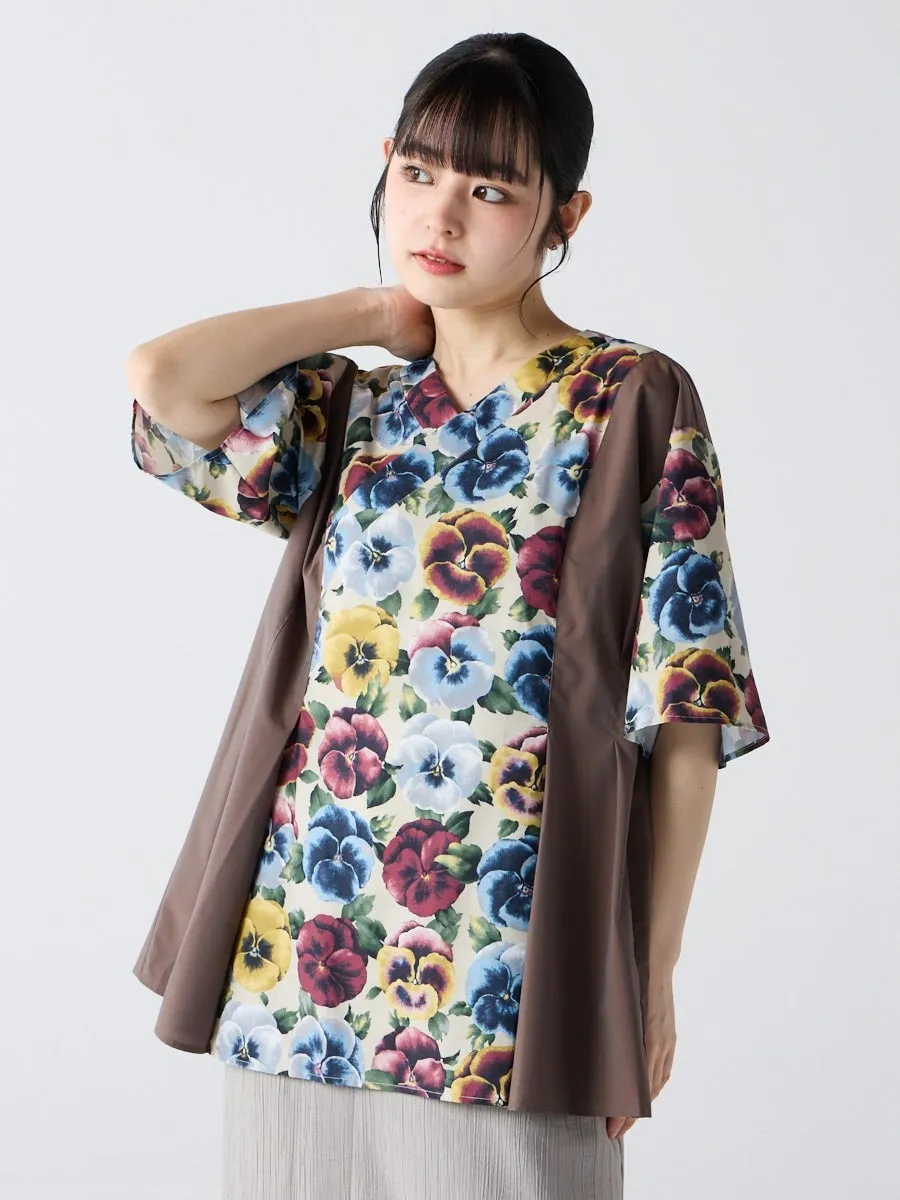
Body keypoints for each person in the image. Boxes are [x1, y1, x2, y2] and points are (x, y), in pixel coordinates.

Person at [127, 30, 770, 1200]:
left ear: (565, 214)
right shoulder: (356, 410)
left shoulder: (630, 401)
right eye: (419, 172)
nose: (442, 213)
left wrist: (652, 970)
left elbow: (687, 706)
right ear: (384, 167)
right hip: (304, 941)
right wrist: (376, 308)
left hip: (512, 964)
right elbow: (162, 379)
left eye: (491, 188)